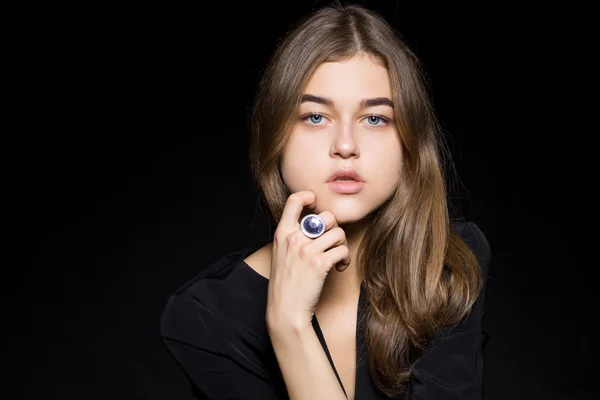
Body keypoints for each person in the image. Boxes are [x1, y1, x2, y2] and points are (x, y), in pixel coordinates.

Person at [160, 2, 491, 399]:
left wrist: (290, 327)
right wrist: (288, 324)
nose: (346, 146)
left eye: (375, 119)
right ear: (276, 137)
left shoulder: (448, 261)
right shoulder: (205, 316)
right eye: (316, 116)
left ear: (409, 143)